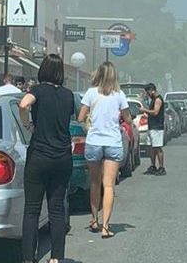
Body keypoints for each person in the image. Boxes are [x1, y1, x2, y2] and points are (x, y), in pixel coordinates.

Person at [18, 54, 75, 263]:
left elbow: (23, 104)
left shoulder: (38, 91)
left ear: (43, 70)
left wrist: (28, 125)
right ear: (60, 72)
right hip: (62, 156)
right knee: (57, 209)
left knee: (32, 209)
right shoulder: (69, 95)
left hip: (40, 155)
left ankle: (27, 258)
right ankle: (56, 258)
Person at [78, 61, 132, 239]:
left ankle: (94, 219)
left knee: (94, 182)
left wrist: (90, 119)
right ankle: (106, 226)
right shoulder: (119, 95)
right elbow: (128, 118)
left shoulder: (91, 93)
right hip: (113, 142)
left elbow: (80, 116)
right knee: (109, 185)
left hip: (94, 141)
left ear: (98, 74)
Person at [141, 82, 166, 175]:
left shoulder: (158, 99)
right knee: (151, 147)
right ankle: (153, 165)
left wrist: (145, 110)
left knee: (157, 147)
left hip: (157, 127)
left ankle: (161, 167)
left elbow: (155, 112)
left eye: (148, 92)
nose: (147, 94)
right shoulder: (153, 99)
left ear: (152, 91)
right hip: (151, 126)